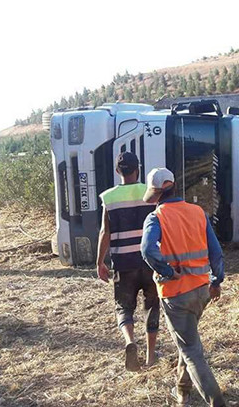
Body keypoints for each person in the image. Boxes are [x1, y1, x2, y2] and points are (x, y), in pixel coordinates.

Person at [141, 168, 226, 407]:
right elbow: (216, 253)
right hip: (202, 291)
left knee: (191, 351)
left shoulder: (156, 217)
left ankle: (216, 402)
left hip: (176, 295)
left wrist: (167, 271)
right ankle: (182, 392)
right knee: (187, 340)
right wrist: (217, 281)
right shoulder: (198, 212)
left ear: (156, 193)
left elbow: (147, 250)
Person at [96, 152, 160, 372]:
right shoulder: (150, 193)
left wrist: (100, 262)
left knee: (124, 307)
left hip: (123, 263)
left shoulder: (109, 197)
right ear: (138, 170)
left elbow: (106, 231)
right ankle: (151, 357)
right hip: (150, 261)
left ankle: (129, 341)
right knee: (152, 306)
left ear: (117, 171)